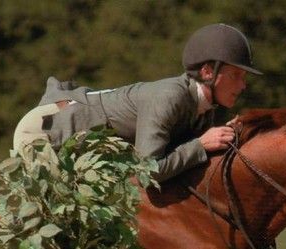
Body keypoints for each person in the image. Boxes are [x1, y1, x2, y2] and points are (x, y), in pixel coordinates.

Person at [13, 23, 261, 183]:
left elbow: (178, 157)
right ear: (208, 72)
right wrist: (201, 145)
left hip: (77, 144)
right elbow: (147, 172)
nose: (243, 86)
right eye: (237, 75)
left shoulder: (203, 110)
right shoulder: (170, 97)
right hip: (46, 132)